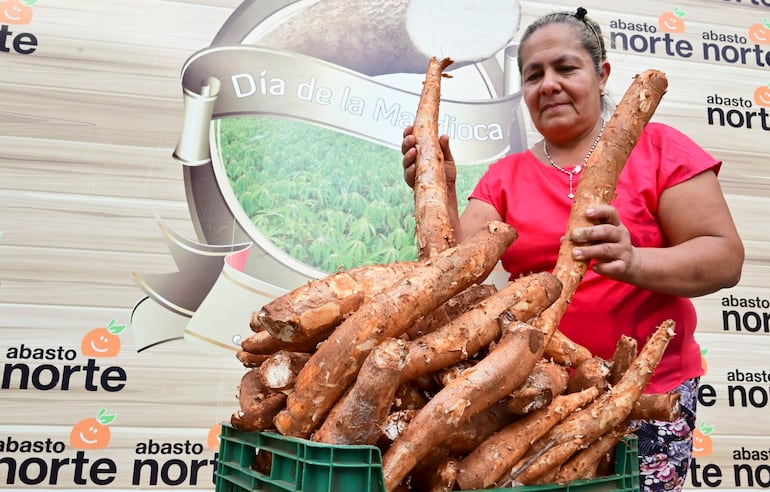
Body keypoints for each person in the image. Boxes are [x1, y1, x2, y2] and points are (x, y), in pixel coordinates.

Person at [401, 7, 744, 492]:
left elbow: (724, 257)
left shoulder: (660, 148)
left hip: (643, 394)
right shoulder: (506, 175)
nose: (549, 85)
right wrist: (442, 190)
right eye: (533, 75)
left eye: (566, 68)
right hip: (532, 395)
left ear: (601, 75)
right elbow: (455, 268)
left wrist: (633, 261)